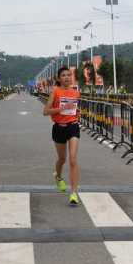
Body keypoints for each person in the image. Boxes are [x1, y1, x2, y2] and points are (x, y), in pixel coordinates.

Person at [43, 67, 81, 205]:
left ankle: (74, 193)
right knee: (62, 159)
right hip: (59, 128)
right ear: (59, 78)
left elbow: (76, 110)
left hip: (73, 127)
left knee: (72, 159)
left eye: (68, 75)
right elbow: (45, 111)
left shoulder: (76, 93)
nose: (66, 77)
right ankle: (58, 176)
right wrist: (62, 108)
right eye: (63, 75)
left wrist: (77, 112)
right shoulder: (55, 91)